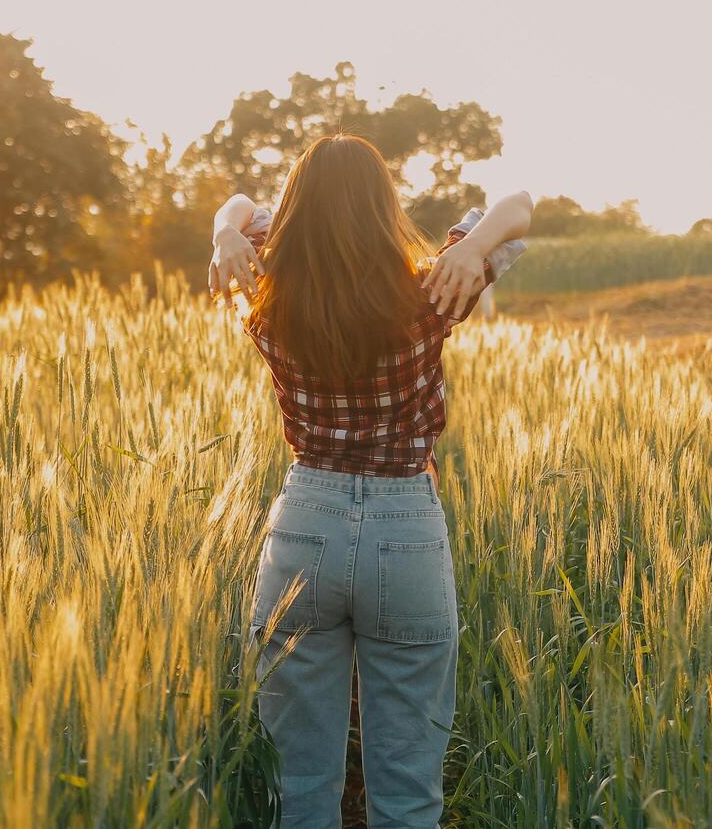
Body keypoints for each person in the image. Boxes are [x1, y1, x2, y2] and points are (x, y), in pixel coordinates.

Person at [207, 133, 531, 827]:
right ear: (383, 207)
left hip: (304, 525)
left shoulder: (264, 286)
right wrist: (472, 247)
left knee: (299, 790)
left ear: (293, 211)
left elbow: (238, 205)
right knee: (409, 795)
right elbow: (519, 208)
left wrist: (221, 234)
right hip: (405, 527)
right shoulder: (432, 287)